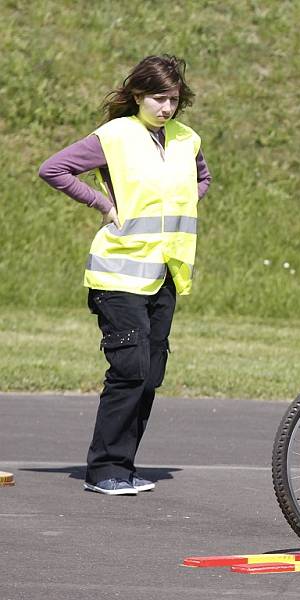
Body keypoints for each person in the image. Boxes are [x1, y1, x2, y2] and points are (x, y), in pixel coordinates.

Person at [39, 55, 212, 496]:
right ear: (137, 95)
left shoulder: (186, 139)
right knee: (130, 370)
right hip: (118, 274)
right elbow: (53, 169)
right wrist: (104, 205)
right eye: (158, 98)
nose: (166, 107)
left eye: (173, 99)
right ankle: (104, 469)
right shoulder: (115, 136)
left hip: (166, 272)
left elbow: (202, 179)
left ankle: (124, 465)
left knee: (150, 374)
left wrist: (184, 203)